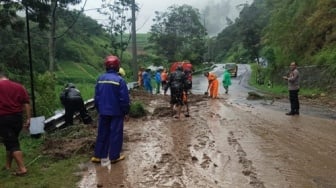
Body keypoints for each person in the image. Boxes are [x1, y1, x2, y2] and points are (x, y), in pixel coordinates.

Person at [91, 55, 130, 164]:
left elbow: (97, 97)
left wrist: (99, 109)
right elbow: (124, 99)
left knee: (102, 133)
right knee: (116, 133)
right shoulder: (120, 80)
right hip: (117, 112)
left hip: (103, 111)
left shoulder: (100, 79)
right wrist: (126, 111)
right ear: (117, 66)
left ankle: (98, 156)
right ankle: (114, 156)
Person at [0, 71, 30, 176]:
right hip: (18, 118)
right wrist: (28, 118)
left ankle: (22, 169)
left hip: (4, 118)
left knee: (12, 143)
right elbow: (26, 103)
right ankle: (8, 165)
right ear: (7, 77)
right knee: (10, 141)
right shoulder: (19, 87)